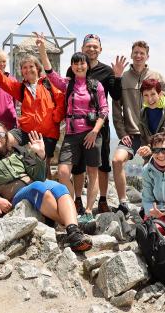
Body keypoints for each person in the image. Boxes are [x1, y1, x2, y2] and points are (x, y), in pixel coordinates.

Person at [0, 122, 93, 252]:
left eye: (1, 134)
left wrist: (41, 155)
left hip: (36, 185)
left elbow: (40, 176)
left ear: (6, 137)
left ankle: (74, 232)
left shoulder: (18, 151)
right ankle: (73, 225)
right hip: (16, 196)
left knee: (60, 188)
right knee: (38, 188)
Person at [35, 33, 109, 223]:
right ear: (72, 66)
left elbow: (103, 110)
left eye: (82, 63)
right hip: (71, 133)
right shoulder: (67, 84)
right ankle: (69, 206)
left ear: (86, 65)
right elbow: (50, 72)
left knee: (92, 172)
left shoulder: (96, 86)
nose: (79, 66)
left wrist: (94, 131)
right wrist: (42, 48)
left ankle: (88, 210)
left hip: (92, 133)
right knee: (63, 172)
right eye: (76, 63)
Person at [0, 50, 65, 179]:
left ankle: (48, 192)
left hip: (47, 132)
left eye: (31, 66)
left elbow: (61, 101)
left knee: (44, 166)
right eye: (24, 67)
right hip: (26, 131)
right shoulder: (21, 88)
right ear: (21, 71)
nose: (28, 70)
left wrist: (55, 117)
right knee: (4, 138)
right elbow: (4, 82)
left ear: (38, 68)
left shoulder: (48, 83)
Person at [65, 34, 122, 215]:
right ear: (82, 49)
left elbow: (116, 95)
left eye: (95, 47)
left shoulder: (106, 71)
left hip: (99, 127)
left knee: (101, 164)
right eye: (88, 46)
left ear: (100, 50)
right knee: (79, 166)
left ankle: (103, 200)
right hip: (77, 128)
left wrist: (118, 76)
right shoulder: (72, 69)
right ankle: (78, 201)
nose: (92, 49)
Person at [112, 40, 165, 215]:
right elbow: (116, 107)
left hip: (152, 133)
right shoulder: (124, 78)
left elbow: (164, 104)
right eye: (135, 52)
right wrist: (121, 133)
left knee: (153, 166)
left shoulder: (156, 76)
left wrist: (159, 137)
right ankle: (123, 203)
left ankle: (149, 204)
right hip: (131, 133)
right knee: (117, 160)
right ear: (131, 54)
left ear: (147, 56)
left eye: (142, 53)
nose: (138, 55)